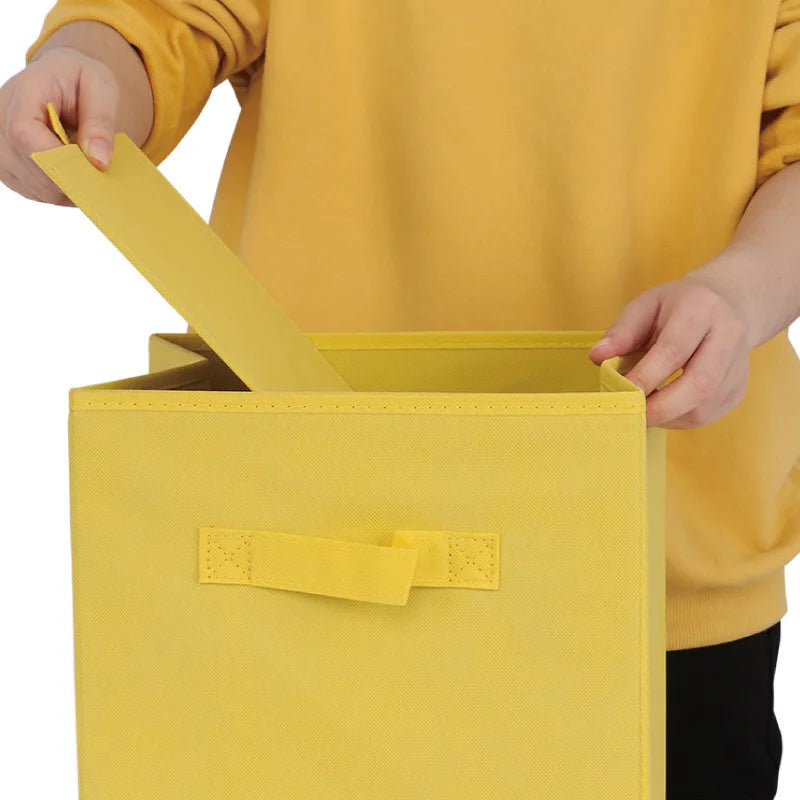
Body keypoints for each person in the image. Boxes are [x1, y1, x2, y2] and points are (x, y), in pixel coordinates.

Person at [2, 2, 799, 797]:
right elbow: (159, 22)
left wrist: (741, 294)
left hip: (657, 572)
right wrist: (83, 75)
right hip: (314, 563)